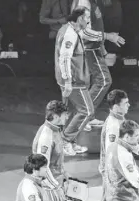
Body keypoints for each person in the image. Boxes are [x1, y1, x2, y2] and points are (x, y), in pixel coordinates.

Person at [71, 0, 126, 130]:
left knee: (90, 83)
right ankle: (83, 116)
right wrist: (108, 36)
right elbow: (83, 32)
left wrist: (104, 51)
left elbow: (96, 27)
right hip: (87, 48)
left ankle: (87, 116)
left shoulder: (94, 3)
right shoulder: (84, 2)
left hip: (93, 48)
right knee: (103, 81)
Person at [32, 100, 75, 201]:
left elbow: (55, 161)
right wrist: (56, 187)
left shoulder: (55, 130)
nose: (67, 117)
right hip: (49, 186)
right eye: (65, 115)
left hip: (56, 181)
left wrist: (64, 174)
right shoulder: (46, 136)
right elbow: (43, 167)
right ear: (56, 116)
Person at [55, 6, 93, 156]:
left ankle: (70, 142)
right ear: (80, 19)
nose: (89, 21)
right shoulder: (70, 34)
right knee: (87, 111)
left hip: (69, 79)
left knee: (71, 112)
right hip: (74, 81)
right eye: (87, 18)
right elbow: (64, 58)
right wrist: (68, 81)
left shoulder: (67, 29)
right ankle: (66, 141)